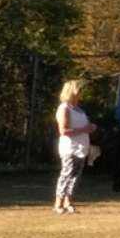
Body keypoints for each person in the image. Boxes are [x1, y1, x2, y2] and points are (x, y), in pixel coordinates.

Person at [53, 79, 94, 215]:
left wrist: (91, 128)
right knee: (67, 173)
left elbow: (86, 126)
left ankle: (68, 202)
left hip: (82, 148)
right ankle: (58, 203)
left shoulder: (80, 110)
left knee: (76, 176)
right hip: (69, 147)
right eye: (79, 90)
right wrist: (84, 129)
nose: (81, 93)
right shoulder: (64, 108)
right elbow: (64, 131)